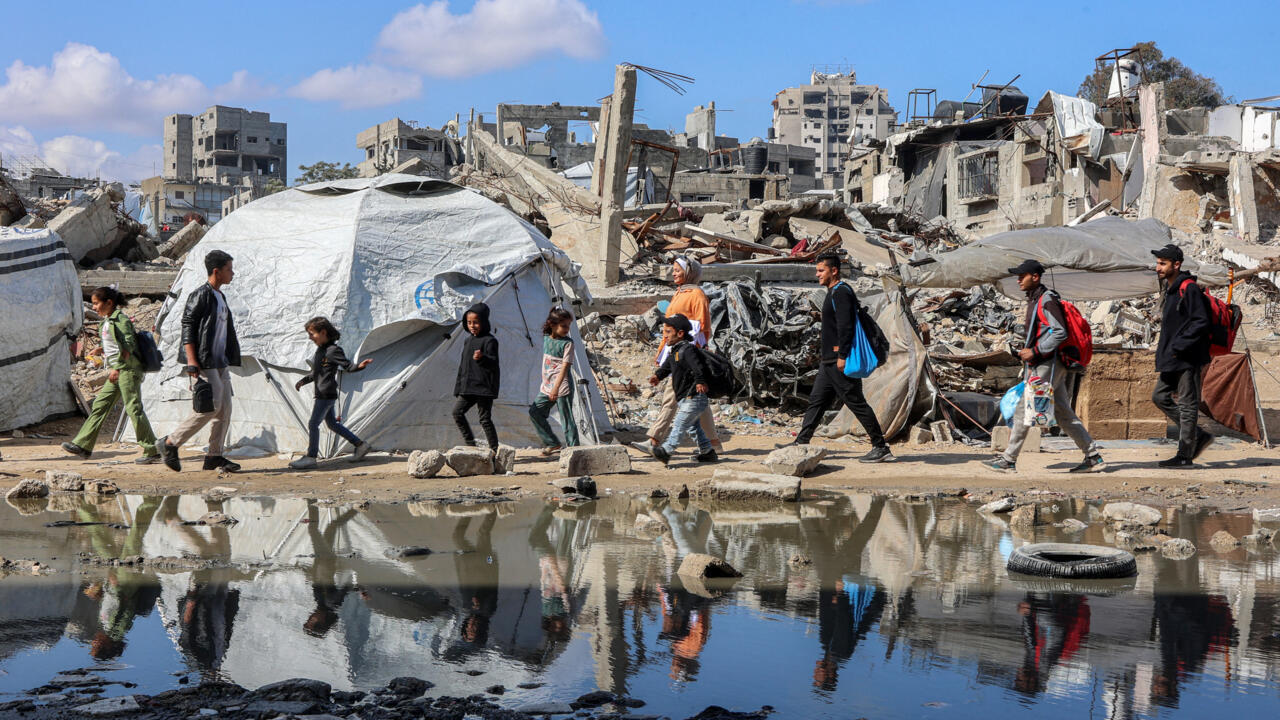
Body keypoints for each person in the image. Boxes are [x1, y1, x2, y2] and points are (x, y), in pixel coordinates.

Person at [985, 260, 1103, 473]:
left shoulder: (1047, 300)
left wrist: (1035, 351)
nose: (1018, 280)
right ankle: (1093, 456)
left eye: (1022, 276)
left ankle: (1009, 460)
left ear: (1035, 277)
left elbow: (1059, 332)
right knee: (1063, 413)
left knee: (1023, 409)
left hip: (1047, 365)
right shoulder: (1037, 299)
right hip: (1047, 364)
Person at [784, 254, 893, 463]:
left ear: (834, 271)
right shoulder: (833, 291)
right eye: (817, 271)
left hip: (838, 360)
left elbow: (846, 326)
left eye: (821, 270)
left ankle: (880, 446)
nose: (817, 275)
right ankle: (801, 441)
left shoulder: (841, 292)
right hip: (828, 361)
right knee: (817, 401)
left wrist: (842, 355)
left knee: (856, 402)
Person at [158, 249, 242, 473]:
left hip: (220, 361)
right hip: (204, 361)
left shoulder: (220, 296)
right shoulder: (200, 295)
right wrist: (192, 361)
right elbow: (188, 325)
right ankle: (171, 443)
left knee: (224, 409)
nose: (232, 273)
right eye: (229, 269)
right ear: (217, 271)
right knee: (209, 407)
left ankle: (214, 456)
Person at [635, 257, 722, 455]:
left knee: (671, 397)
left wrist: (689, 353)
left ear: (689, 272)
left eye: (677, 270)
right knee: (698, 402)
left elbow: (702, 326)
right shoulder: (680, 292)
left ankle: (654, 439)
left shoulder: (697, 294)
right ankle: (714, 443)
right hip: (675, 351)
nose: (673, 273)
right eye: (673, 270)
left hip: (686, 355)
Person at [62, 286, 159, 463]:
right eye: (93, 304)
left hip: (127, 370)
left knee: (133, 408)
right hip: (118, 370)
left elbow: (129, 345)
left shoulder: (121, 320)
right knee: (100, 405)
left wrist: (118, 368)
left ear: (109, 302)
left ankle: (152, 450)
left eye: (96, 303)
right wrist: (101, 350)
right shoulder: (106, 322)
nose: (94, 307)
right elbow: (115, 344)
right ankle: (83, 445)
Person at [1150, 244, 1214, 467]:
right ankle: (1198, 434)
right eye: (1157, 263)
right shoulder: (1171, 289)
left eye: (1163, 263)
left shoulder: (1189, 288)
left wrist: (1179, 345)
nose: (1158, 268)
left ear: (1176, 265)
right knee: (1159, 397)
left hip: (1187, 357)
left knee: (1187, 405)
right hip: (1172, 357)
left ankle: (1185, 455)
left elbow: (1201, 321)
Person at [289, 317, 372, 469]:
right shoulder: (320, 351)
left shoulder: (333, 350)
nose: (310, 337)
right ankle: (360, 445)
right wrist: (303, 381)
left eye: (312, 334)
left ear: (323, 332)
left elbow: (347, 366)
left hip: (326, 394)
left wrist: (360, 366)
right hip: (323, 394)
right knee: (332, 424)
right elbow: (316, 372)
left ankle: (311, 457)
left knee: (313, 424)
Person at [647, 314, 716, 465]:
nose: (665, 336)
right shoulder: (675, 351)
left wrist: (700, 381)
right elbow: (666, 367)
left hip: (694, 397)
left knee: (679, 424)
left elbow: (698, 366)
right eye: (664, 332)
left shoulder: (688, 350)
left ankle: (666, 451)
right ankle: (708, 452)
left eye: (668, 332)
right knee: (693, 427)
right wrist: (657, 376)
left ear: (680, 333)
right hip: (685, 398)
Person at [528, 307, 580, 454]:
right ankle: (552, 442)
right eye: (564, 326)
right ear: (552, 325)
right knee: (535, 412)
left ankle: (574, 451)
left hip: (562, 386)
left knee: (567, 419)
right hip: (547, 385)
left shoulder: (568, 343)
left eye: (568, 326)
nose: (567, 329)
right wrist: (550, 388)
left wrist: (556, 389)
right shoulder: (547, 338)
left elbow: (564, 368)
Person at [453, 303, 501, 451]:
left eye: (476, 322)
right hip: (468, 387)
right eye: (469, 322)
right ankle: (471, 445)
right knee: (457, 413)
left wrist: (482, 358)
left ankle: (494, 451)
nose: (472, 326)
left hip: (484, 387)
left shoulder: (490, 341)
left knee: (484, 419)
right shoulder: (468, 341)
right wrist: (459, 387)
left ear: (484, 322)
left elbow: (493, 363)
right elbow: (463, 365)